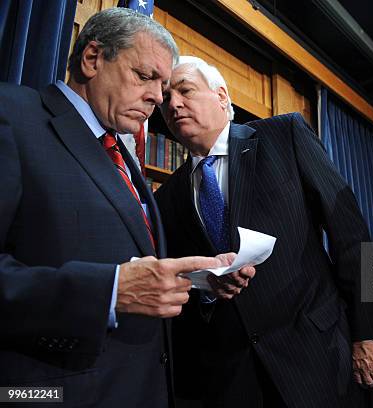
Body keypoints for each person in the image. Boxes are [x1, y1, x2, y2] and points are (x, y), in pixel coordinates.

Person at [0, 9, 253, 408]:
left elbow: (137, 267)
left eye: (165, 85)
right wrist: (110, 292)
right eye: (145, 76)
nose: (158, 97)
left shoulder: (124, 156)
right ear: (92, 58)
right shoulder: (11, 116)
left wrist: (200, 280)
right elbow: (120, 282)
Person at [154, 56, 373, 408]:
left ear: (221, 97)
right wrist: (206, 289)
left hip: (316, 354)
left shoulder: (284, 136)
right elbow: (185, 284)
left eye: (185, 90)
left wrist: (366, 333)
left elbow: (350, 237)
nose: (173, 103)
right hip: (231, 376)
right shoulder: (167, 198)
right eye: (166, 97)